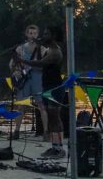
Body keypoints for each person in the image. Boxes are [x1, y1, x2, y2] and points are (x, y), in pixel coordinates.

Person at [17, 28, 67, 158]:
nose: (44, 36)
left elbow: (40, 63)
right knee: (51, 116)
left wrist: (22, 61)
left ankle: (60, 148)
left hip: (55, 87)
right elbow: (39, 62)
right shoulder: (49, 49)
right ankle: (54, 147)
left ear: (54, 35)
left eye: (46, 34)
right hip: (48, 86)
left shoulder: (56, 52)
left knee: (55, 117)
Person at [10, 24, 49, 140]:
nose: (32, 35)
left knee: (41, 105)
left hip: (37, 79)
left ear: (38, 35)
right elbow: (12, 64)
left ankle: (46, 132)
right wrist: (15, 71)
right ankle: (16, 131)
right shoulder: (20, 48)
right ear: (26, 34)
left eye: (35, 33)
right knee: (21, 106)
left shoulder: (42, 49)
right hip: (24, 80)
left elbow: (47, 65)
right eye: (30, 33)